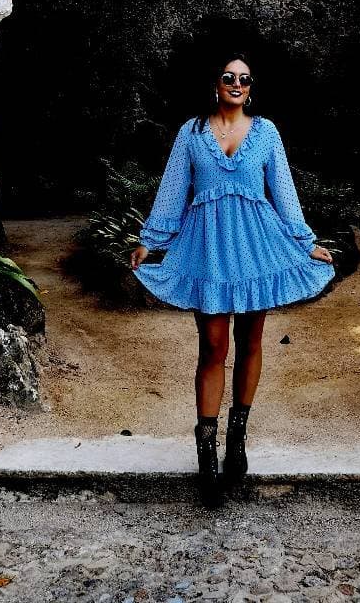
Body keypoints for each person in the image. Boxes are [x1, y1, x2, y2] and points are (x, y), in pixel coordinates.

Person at [129, 52, 335, 507]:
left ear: (251, 86)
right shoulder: (192, 132)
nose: (237, 84)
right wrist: (150, 240)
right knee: (213, 347)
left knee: (251, 341)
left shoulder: (266, 133)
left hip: (257, 249)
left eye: (244, 78)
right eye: (228, 77)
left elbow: (283, 193)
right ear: (214, 84)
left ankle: (237, 440)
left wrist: (305, 242)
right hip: (208, 251)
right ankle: (207, 453)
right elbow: (172, 190)